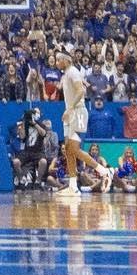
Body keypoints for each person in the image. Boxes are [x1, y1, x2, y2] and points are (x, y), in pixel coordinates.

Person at [56, 51, 112, 195]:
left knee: (74, 149)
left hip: (78, 112)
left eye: (58, 60)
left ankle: (104, 171)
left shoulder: (73, 71)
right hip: (70, 113)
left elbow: (81, 91)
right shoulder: (66, 73)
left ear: (67, 60)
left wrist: (70, 109)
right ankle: (73, 186)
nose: (56, 63)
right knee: (68, 149)